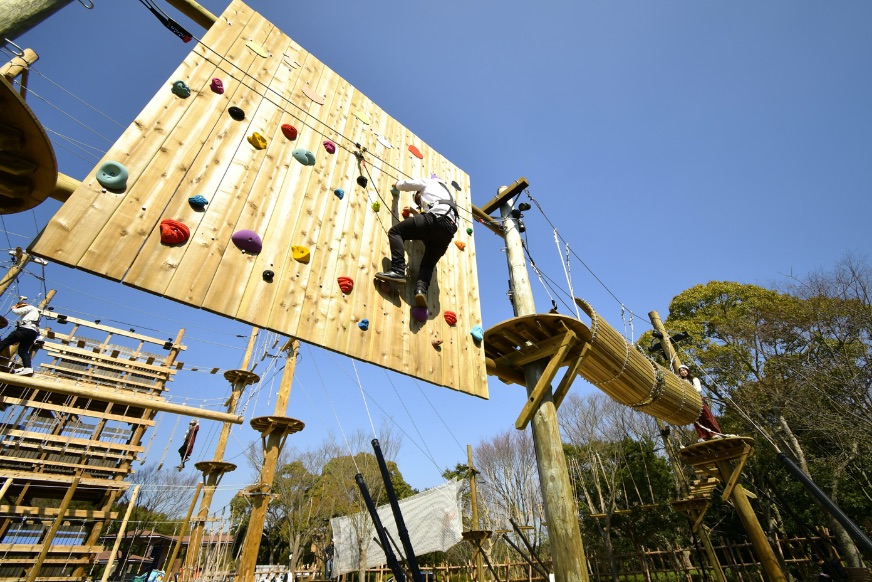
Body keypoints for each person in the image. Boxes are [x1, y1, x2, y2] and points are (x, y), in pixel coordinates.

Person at [375, 177, 459, 308]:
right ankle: (421, 290)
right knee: (428, 264)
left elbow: (410, 184)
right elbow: (429, 214)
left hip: (436, 220)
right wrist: (416, 212)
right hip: (449, 230)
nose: (419, 203)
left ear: (419, 193)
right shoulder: (448, 195)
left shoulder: (430, 182)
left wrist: (397, 184)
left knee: (395, 232)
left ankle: (398, 270)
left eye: (418, 200)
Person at [678, 364, 723, 440]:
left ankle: (715, 433)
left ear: (687, 371)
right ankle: (703, 436)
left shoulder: (694, 379)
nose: (683, 372)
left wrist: (688, 391)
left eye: (684, 370)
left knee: (707, 416)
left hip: (698, 399)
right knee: (697, 419)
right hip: (691, 401)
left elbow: (698, 389)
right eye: (681, 371)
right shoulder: (681, 382)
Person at [0, 297, 40, 376]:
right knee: (23, 351)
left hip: (24, 330)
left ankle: (27, 368)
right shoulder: (36, 315)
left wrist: (14, 308)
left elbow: (17, 312)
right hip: (32, 333)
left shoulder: (31, 308)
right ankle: (28, 368)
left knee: (4, 343)